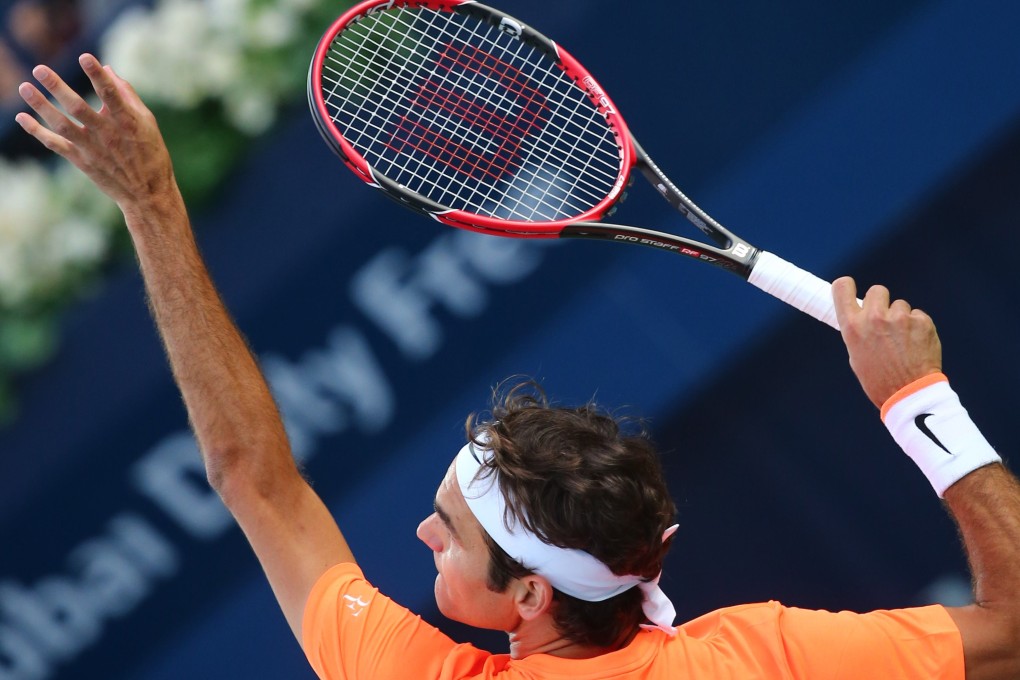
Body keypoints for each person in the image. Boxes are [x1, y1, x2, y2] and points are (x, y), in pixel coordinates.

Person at [15, 54, 1020, 679]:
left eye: (447, 534)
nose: (421, 533)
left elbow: (252, 477)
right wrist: (918, 403)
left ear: (533, 596)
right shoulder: (763, 658)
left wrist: (150, 200)